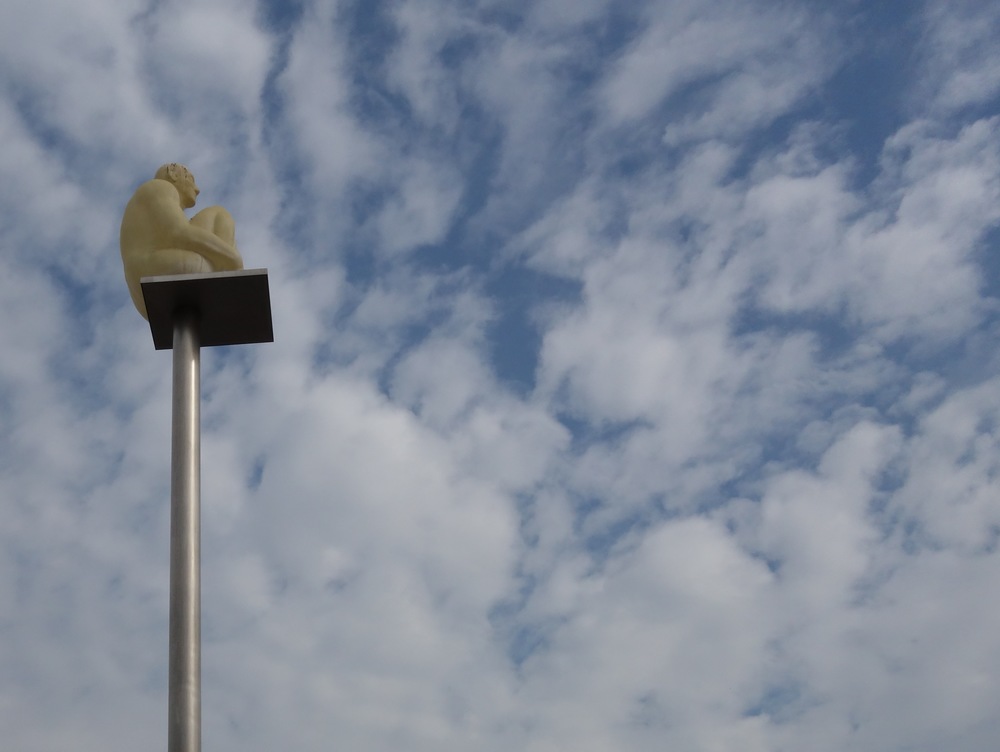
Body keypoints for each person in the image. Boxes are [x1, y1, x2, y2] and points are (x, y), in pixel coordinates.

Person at [120, 163, 244, 318]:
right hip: (162, 270)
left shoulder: (147, 203)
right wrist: (233, 258)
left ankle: (224, 271)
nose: (197, 189)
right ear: (173, 173)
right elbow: (178, 232)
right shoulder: (161, 187)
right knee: (219, 213)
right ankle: (226, 274)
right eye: (190, 178)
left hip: (144, 301)